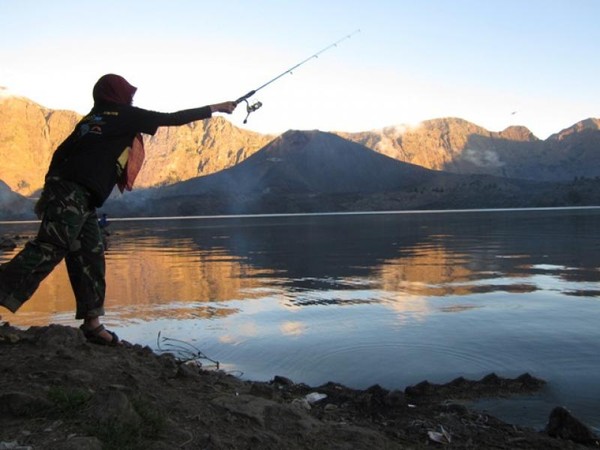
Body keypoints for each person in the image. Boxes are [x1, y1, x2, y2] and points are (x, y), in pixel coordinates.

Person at [0, 74, 237, 345]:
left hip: (77, 194)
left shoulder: (92, 119)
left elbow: (60, 154)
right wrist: (217, 108)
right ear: (117, 94)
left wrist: (49, 188)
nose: (132, 97)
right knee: (50, 247)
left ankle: (92, 324)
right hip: (72, 192)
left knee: (90, 254)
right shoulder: (123, 114)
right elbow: (172, 118)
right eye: (128, 93)